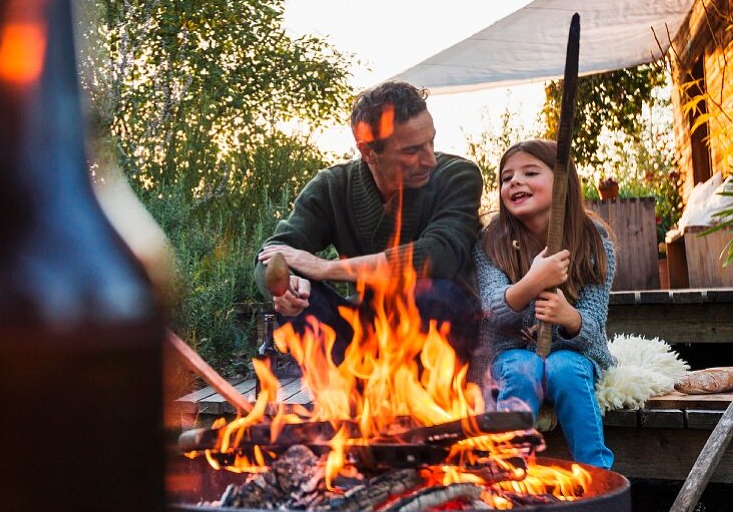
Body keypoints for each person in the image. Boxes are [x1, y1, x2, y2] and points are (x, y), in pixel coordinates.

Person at [255, 80, 483, 365]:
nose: (429, 160)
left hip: (440, 328)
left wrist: (326, 268)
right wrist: (285, 287)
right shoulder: (333, 185)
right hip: (363, 329)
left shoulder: (457, 175)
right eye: (411, 151)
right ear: (368, 152)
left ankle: (425, 400)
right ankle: (343, 397)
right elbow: (274, 251)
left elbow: (440, 255)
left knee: (433, 292)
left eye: (431, 142)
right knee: (303, 299)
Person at [475, 139, 615, 469]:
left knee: (565, 369)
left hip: (575, 353)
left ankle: (596, 472)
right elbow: (491, 311)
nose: (515, 182)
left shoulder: (593, 241)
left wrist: (569, 317)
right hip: (508, 353)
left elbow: (594, 326)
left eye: (530, 172)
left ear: (563, 180)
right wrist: (532, 282)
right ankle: (508, 467)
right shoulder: (490, 242)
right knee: (524, 369)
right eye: (506, 177)